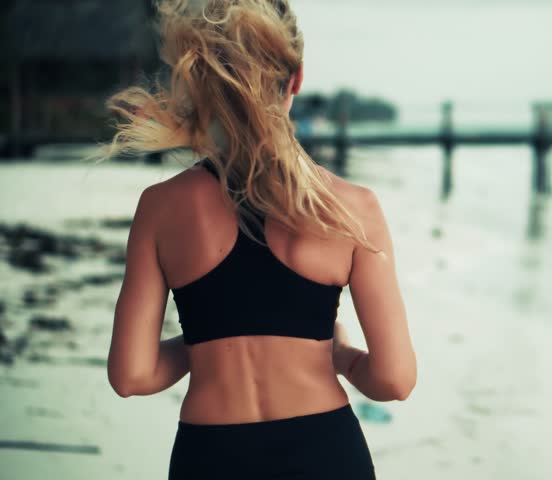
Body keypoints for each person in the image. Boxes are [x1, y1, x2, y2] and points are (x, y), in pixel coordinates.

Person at [101, 1, 417, 478]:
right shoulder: (353, 208)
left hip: (210, 457)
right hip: (327, 453)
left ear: (206, 85)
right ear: (297, 79)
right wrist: (341, 357)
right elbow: (394, 380)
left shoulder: (161, 207)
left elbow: (132, 375)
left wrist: (206, 343)